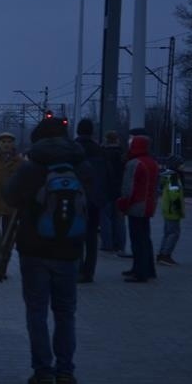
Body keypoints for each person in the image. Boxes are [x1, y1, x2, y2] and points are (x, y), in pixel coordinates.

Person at [2, 116, 91, 384]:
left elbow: (9, 197)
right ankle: (65, 371)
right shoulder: (81, 165)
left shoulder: (32, 167)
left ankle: (42, 371)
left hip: (34, 250)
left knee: (37, 312)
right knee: (66, 313)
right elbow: (99, 198)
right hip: (70, 250)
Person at [117, 135, 159, 282]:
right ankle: (148, 269)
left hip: (136, 206)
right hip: (149, 205)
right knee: (145, 238)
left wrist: (122, 203)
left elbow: (128, 188)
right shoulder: (152, 163)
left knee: (137, 239)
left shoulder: (134, 163)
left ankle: (139, 272)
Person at [74, 118, 108, 283]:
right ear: (92, 131)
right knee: (92, 237)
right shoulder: (99, 150)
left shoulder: (73, 149)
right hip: (95, 199)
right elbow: (106, 175)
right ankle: (89, 272)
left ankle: (78, 269)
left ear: (78, 131)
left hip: (76, 198)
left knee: (76, 235)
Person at [99, 130, 127, 256]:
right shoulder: (122, 154)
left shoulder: (102, 154)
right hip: (120, 191)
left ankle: (107, 245)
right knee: (119, 220)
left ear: (106, 140)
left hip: (105, 190)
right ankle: (120, 245)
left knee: (105, 219)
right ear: (117, 140)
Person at [156, 155, 185, 266]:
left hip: (167, 207)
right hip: (172, 209)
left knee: (168, 233)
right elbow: (175, 194)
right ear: (176, 165)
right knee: (174, 233)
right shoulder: (173, 177)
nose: (183, 166)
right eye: (181, 164)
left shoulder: (167, 175)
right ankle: (165, 255)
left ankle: (162, 254)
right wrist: (178, 210)